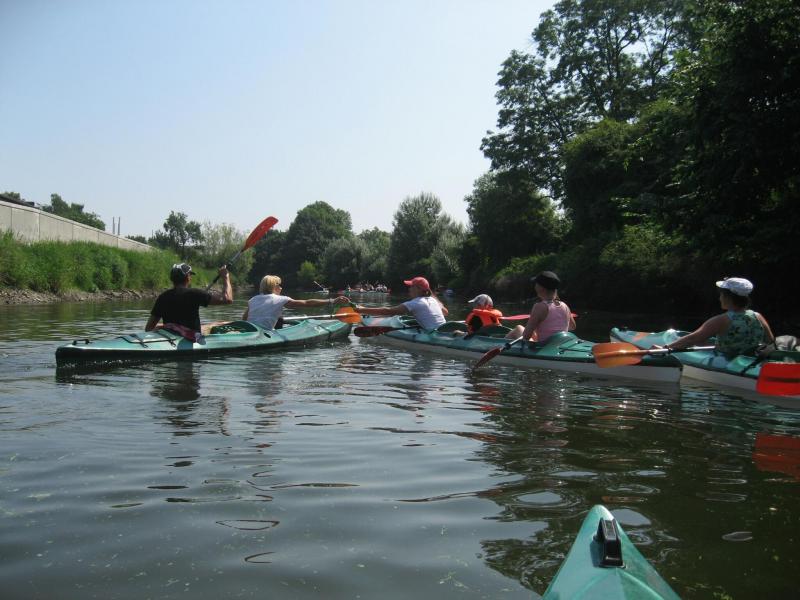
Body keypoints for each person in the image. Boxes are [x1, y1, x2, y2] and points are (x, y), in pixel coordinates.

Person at [658, 277, 775, 356]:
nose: (719, 298)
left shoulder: (721, 320)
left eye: (721, 294)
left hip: (727, 362)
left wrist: (665, 348)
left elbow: (692, 339)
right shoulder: (758, 316)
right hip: (751, 360)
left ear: (728, 297)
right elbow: (770, 342)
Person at [146, 263, 232, 333]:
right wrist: (226, 277)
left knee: (215, 324)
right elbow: (228, 299)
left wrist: (167, 326)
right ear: (187, 277)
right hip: (191, 339)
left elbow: (149, 328)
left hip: (172, 336)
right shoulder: (194, 293)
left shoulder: (162, 297)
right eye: (190, 275)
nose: (190, 277)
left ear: (172, 279)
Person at [243, 275, 350, 330]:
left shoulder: (253, 300)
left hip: (251, 331)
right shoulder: (280, 299)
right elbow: (307, 303)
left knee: (279, 319)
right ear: (274, 287)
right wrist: (332, 300)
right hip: (262, 334)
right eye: (279, 285)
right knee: (279, 319)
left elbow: (244, 320)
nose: (281, 288)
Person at [355, 276, 448, 330]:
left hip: (435, 334)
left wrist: (361, 310)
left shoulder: (415, 303)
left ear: (418, 289)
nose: (409, 289)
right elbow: (445, 312)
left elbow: (388, 311)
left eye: (411, 286)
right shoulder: (433, 300)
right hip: (445, 329)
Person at [508, 271, 576, 343]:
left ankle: (500, 346)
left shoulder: (539, 307)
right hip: (560, 344)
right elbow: (572, 327)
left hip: (544, 347)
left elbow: (526, 336)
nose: (535, 286)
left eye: (536, 284)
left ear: (541, 288)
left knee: (518, 328)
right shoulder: (565, 306)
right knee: (532, 332)